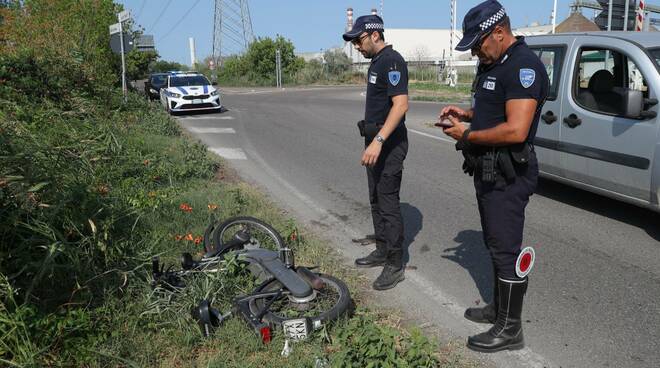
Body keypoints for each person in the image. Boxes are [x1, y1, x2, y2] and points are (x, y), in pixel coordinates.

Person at [438, 0, 549, 352]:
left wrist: (466, 136)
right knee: (494, 242)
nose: (474, 52)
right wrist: (467, 114)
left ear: (498, 33)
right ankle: (499, 311)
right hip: (488, 168)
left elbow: (516, 129)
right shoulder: (495, 62)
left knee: (506, 248)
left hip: (508, 172)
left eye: (477, 44)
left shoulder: (523, 67)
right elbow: (494, 107)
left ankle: (510, 330)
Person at [342, 15, 409, 291]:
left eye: (359, 40)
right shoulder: (377, 63)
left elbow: (401, 105)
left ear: (374, 35)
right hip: (374, 142)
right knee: (375, 200)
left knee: (388, 202)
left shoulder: (393, 61)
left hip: (388, 144)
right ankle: (382, 249)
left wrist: (379, 139)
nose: (357, 45)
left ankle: (395, 264)